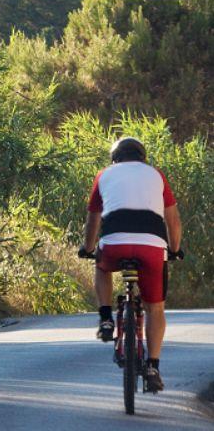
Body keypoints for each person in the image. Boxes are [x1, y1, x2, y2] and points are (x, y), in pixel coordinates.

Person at [79, 136, 182, 393]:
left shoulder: (104, 175)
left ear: (115, 158)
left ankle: (105, 318)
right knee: (155, 308)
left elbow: (93, 221)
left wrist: (89, 248)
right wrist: (175, 249)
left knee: (101, 267)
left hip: (115, 243)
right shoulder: (156, 175)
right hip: (151, 246)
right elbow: (174, 221)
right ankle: (153, 367)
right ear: (142, 157)